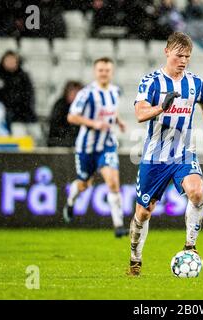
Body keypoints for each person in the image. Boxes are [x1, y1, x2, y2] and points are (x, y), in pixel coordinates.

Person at [127, 32, 203, 276]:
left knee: (196, 192)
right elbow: (140, 114)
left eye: (187, 56)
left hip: (183, 153)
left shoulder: (195, 83)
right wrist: (162, 107)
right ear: (167, 52)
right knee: (143, 212)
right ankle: (135, 257)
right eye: (178, 55)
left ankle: (190, 246)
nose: (183, 60)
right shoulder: (151, 81)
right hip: (154, 157)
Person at [63, 57, 129, 238]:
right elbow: (72, 117)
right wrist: (93, 123)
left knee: (113, 182)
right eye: (101, 70)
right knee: (84, 183)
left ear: (112, 72)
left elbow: (111, 111)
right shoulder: (86, 93)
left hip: (107, 145)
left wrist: (119, 122)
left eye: (107, 70)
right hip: (87, 147)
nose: (104, 73)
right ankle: (70, 201)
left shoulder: (115, 91)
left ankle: (118, 226)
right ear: (95, 72)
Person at [0, 51, 37, 133]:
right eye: (8, 60)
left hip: (20, 111)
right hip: (1, 109)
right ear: (3, 61)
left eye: (13, 60)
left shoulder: (23, 76)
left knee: (32, 127)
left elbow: (29, 96)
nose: (10, 63)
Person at [47, 81, 83, 147]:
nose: (76, 96)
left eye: (78, 93)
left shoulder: (82, 107)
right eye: (73, 92)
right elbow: (56, 127)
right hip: (60, 140)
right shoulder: (60, 106)